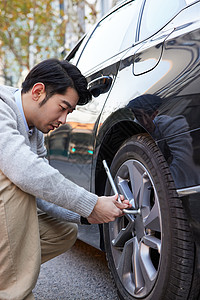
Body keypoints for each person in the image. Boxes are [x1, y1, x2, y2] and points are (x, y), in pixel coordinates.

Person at [0, 58, 130, 300]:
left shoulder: (34, 133)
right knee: (15, 180)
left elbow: (42, 193)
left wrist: (89, 212)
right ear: (38, 91)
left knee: (63, 231)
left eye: (69, 112)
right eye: (63, 107)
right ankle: (12, 292)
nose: (64, 121)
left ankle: (9, 279)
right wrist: (90, 202)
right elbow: (26, 172)